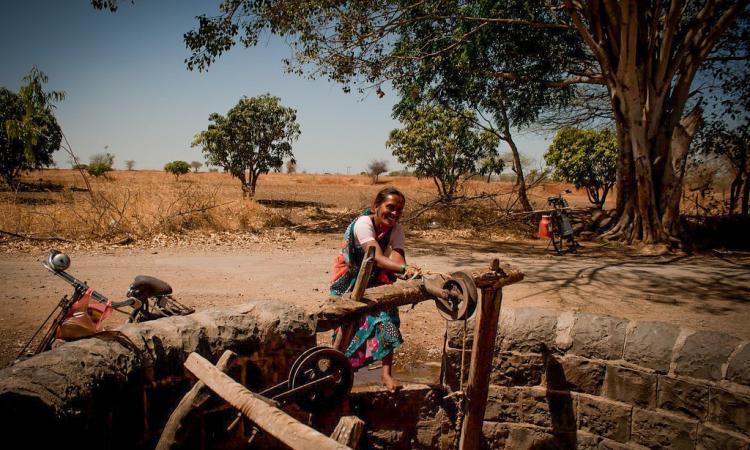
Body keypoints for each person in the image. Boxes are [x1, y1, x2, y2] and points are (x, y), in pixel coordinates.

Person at [330, 186, 420, 391]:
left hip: (375, 279)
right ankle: (338, 372)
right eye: (390, 207)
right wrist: (404, 269)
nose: (395, 213)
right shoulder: (363, 224)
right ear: (376, 206)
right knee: (347, 326)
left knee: (388, 321)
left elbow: (397, 260)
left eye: (399, 210)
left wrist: (409, 272)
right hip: (350, 280)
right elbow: (377, 258)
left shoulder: (396, 229)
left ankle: (386, 375)